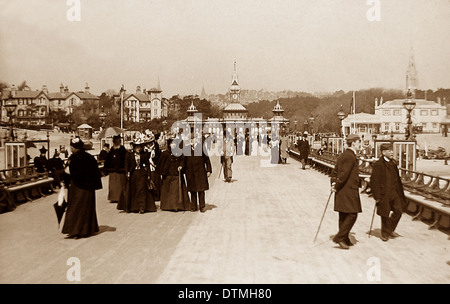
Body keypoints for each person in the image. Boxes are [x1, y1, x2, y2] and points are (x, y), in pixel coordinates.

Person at [62, 137, 102, 238]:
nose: (71, 148)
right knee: (86, 208)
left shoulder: (73, 158)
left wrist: (65, 181)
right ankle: (86, 229)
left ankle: (76, 230)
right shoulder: (89, 157)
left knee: (75, 208)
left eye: (71, 147)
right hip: (88, 187)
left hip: (77, 187)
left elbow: (69, 172)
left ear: (75, 147)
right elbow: (96, 173)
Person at [330, 134, 362, 249]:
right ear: (353, 143)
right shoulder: (350, 156)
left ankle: (345, 239)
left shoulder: (344, 154)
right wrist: (337, 186)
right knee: (353, 214)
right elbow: (344, 174)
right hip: (348, 190)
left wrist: (334, 184)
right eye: (359, 142)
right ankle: (339, 237)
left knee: (343, 215)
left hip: (343, 190)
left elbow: (335, 171)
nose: (360, 144)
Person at [370, 143, 406, 241]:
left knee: (398, 211)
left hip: (395, 193)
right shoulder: (378, 165)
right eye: (389, 151)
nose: (391, 152)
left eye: (391, 150)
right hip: (384, 193)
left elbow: (397, 179)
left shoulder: (393, 163)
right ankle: (384, 233)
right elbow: (374, 181)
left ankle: (389, 229)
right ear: (383, 152)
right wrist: (376, 196)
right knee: (384, 214)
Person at [118, 135, 157, 214]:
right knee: (133, 190)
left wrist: (149, 175)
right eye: (137, 147)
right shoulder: (129, 155)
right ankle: (133, 207)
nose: (138, 149)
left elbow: (147, 165)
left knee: (141, 190)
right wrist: (127, 173)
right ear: (134, 147)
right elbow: (126, 165)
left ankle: (141, 207)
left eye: (140, 147)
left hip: (142, 174)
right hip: (133, 174)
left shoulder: (144, 155)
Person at [158, 137, 190, 211]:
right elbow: (160, 163)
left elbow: (183, 160)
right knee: (168, 191)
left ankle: (177, 206)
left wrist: (181, 166)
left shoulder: (180, 153)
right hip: (168, 175)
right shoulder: (165, 153)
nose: (173, 145)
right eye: (172, 143)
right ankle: (167, 206)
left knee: (176, 191)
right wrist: (162, 172)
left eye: (175, 143)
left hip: (176, 174)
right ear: (169, 144)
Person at [185, 137, 212, 213]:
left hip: (200, 172)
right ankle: (193, 206)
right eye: (190, 140)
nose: (191, 141)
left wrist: (209, 170)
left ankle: (202, 206)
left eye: (193, 140)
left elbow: (207, 159)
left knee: (201, 190)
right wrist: (181, 168)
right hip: (190, 173)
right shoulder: (187, 149)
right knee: (192, 190)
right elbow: (183, 160)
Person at [104, 135, 127, 204]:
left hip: (120, 170)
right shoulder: (111, 150)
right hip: (113, 170)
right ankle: (113, 197)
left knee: (121, 184)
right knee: (113, 185)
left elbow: (125, 159)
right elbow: (108, 160)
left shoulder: (123, 150)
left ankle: (120, 197)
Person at [144, 130, 161, 201]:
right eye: (147, 143)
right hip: (147, 168)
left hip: (154, 168)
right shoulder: (144, 150)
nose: (149, 145)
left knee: (156, 181)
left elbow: (158, 158)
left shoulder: (156, 149)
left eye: (150, 143)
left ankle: (157, 196)